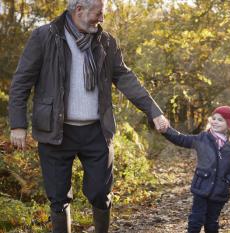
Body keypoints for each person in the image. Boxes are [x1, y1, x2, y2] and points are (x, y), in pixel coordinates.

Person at [8, 0, 169, 232]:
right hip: (55, 131)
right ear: (79, 10)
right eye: (98, 13)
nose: (102, 18)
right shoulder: (44, 36)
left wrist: (154, 111)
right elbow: (21, 82)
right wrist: (18, 124)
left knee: (100, 193)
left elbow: (126, 78)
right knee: (57, 197)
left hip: (97, 131)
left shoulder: (106, 41)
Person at [162, 106, 230, 233]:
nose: (215, 121)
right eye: (214, 118)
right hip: (202, 187)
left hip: (219, 191)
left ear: (229, 125)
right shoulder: (202, 138)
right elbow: (181, 139)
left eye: (220, 120)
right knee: (196, 219)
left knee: (211, 222)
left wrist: (227, 181)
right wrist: (166, 130)